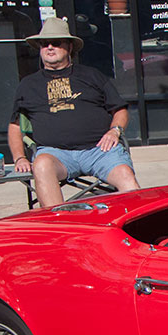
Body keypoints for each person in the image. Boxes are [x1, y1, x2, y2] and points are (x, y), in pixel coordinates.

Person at [8, 16, 140, 208]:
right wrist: (19, 157)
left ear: (69, 47)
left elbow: (120, 110)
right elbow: (15, 125)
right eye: (44, 44)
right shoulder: (28, 85)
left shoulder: (92, 76)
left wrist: (115, 130)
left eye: (56, 43)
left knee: (126, 177)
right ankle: (62, 227)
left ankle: (136, 228)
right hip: (55, 154)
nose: (49, 47)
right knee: (42, 165)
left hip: (99, 150)